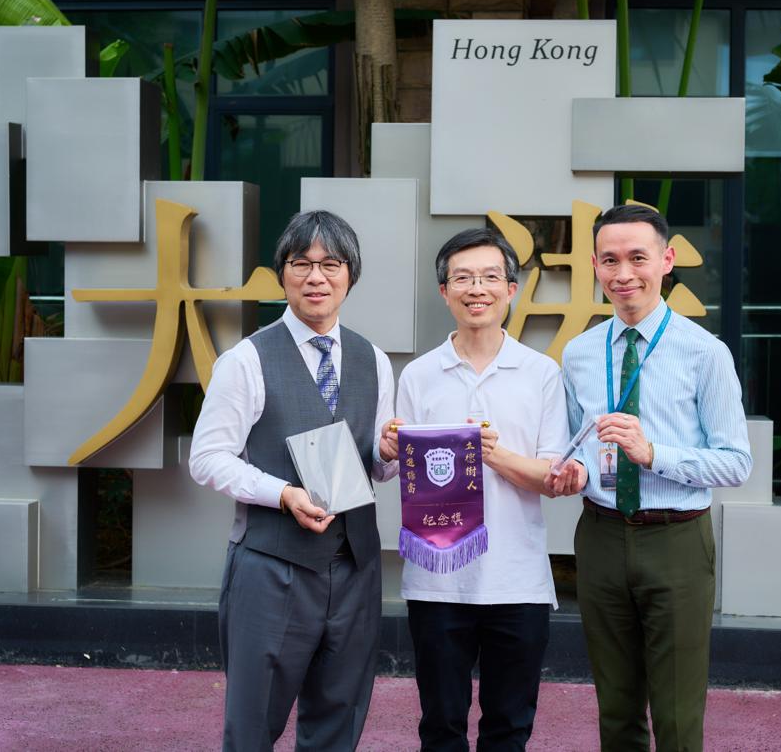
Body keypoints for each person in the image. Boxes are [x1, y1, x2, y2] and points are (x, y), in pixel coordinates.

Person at [189, 210, 398, 752]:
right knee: (252, 725)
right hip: (271, 566)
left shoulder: (374, 360)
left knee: (339, 721)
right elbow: (207, 457)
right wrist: (281, 494)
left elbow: (377, 464)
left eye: (331, 264)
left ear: (351, 275)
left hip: (354, 566)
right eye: (301, 263)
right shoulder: (246, 360)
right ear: (282, 273)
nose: (316, 277)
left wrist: (388, 453)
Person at [552, 204, 752, 752]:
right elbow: (581, 444)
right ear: (594, 265)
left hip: (677, 540)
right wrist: (576, 470)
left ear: (667, 260)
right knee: (615, 708)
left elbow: (736, 462)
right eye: (610, 260)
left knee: (677, 713)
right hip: (600, 535)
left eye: (638, 258)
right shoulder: (580, 353)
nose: (624, 274)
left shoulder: (705, 353)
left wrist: (652, 453)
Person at [380, 228, 585, 752]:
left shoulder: (541, 373)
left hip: (518, 581)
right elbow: (402, 472)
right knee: (440, 727)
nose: (477, 289)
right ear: (444, 291)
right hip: (437, 582)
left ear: (511, 290)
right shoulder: (419, 375)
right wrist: (390, 447)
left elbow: (553, 477)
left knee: (509, 728)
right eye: (463, 278)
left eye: (491, 277)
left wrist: (491, 454)